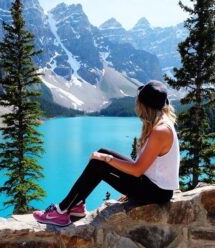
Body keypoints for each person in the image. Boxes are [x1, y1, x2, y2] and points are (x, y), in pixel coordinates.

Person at [33, 80, 180, 226]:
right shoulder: (162, 124)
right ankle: (76, 204)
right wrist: (106, 158)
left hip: (156, 193)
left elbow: (137, 170)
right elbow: (147, 168)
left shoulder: (160, 131)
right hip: (152, 186)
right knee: (102, 152)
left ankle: (61, 211)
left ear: (144, 106)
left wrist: (106, 159)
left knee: (99, 162)